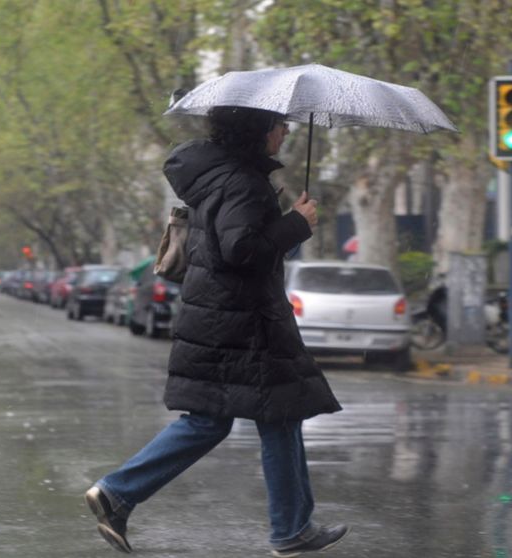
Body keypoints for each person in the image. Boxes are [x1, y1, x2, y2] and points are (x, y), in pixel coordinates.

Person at [85, 106, 348, 556]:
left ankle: (293, 527)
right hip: (241, 323)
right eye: (280, 125)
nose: (286, 131)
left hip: (228, 317)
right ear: (260, 131)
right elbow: (240, 250)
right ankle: (118, 492)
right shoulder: (242, 182)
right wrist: (295, 225)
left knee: (273, 416)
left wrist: (285, 221)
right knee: (221, 418)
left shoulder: (223, 175)